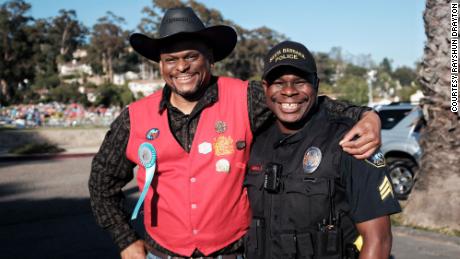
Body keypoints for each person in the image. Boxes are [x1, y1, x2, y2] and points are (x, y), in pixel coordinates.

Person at [88, 7, 382, 259]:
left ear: (210, 58)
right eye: (171, 60)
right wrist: (125, 239)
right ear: (161, 65)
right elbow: (101, 183)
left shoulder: (246, 97)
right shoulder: (134, 117)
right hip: (162, 252)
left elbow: (300, 100)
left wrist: (367, 116)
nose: (181, 67)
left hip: (235, 252)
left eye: (191, 56)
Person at [244, 41, 401, 259]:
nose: (289, 91)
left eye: (300, 82)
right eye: (279, 83)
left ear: (316, 85)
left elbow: (379, 240)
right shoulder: (254, 139)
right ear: (265, 88)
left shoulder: (351, 140)